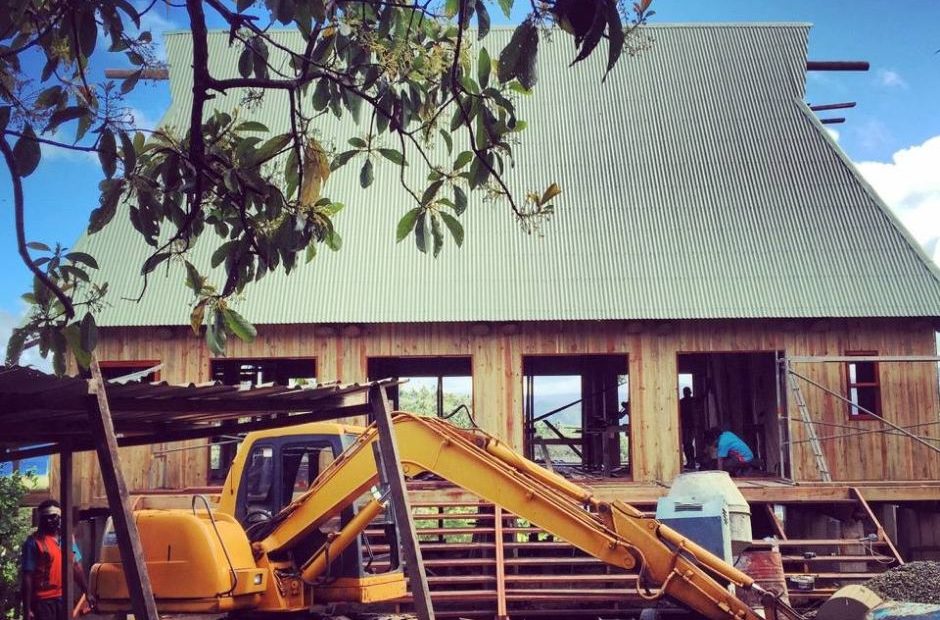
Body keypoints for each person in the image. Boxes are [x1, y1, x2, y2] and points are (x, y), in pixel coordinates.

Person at [21, 499, 91, 620]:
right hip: (42, 602)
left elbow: (76, 567)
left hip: (63, 598)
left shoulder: (67, 540)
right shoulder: (32, 543)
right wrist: (27, 609)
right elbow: (27, 577)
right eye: (45, 517)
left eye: (53, 517)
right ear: (40, 520)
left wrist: (87, 592)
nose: (49, 520)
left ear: (59, 518)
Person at [678, 387, 700, 468]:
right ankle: (690, 462)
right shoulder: (682, 402)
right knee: (687, 444)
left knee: (688, 444)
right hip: (686, 426)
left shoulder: (690, 401)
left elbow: (702, 397)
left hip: (690, 426)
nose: (686, 393)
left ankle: (691, 462)